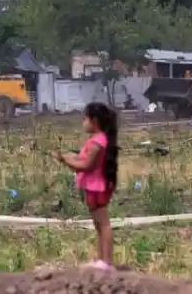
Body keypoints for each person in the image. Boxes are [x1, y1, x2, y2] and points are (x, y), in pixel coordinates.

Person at [51, 102, 119, 271]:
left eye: (85, 118)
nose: (82, 122)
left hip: (97, 187)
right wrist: (66, 157)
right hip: (93, 186)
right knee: (98, 224)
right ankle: (101, 260)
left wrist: (65, 160)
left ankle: (107, 262)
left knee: (103, 224)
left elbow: (86, 166)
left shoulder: (98, 142)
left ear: (94, 120)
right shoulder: (96, 140)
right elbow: (81, 160)